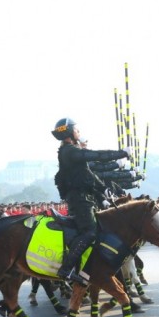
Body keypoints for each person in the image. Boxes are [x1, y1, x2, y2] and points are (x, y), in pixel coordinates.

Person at [52, 117, 128, 286]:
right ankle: (66, 269)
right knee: (90, 233)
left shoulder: (70, 150)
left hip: (84, 198)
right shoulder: (70, 151)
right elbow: (96, 156)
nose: (80, 132)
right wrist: (120, 153)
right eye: (77, 129)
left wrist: (104, 191)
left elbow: (90, 176)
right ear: (70, 132)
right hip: (80, 200)